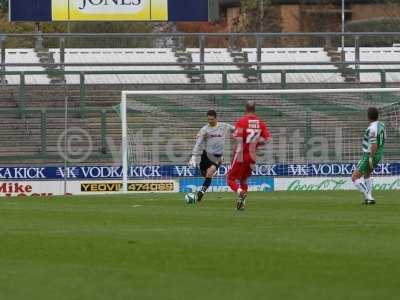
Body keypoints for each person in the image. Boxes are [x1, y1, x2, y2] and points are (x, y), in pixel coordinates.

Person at [228, 101, 271, 210]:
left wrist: (233, 135)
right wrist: (256, 143)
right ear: (255, 109)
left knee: (230, 179)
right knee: (244, 180)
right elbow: (267, 139)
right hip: (252, 156)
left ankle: (240, 192)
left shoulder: (242, 122)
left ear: (245, 109)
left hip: (241, 154)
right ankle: (241, 205)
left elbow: (237, 138)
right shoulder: (261, 123)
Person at [188, 110, 234, 202]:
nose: (210, 121)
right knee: (204, 174)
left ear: (216, 118)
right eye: (208, 119)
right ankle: (209, 176)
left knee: (209, 173)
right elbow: (198, 143)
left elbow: (236, 129)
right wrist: (193, 157)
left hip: (218, 156)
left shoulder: (224, 126)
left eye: (212, 119)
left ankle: (201, 192)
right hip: (206, 155)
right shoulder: (205, 129)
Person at [352, 107, 386, 205]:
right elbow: (383, 139)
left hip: (370, 154)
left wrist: (370, 157)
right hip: (379, 153)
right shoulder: (382, 125)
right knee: (367, 174)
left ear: (368, 116)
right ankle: (368, 199)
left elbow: (374, 145)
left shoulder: (372, 128)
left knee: (354, 178)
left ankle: (369, 197)